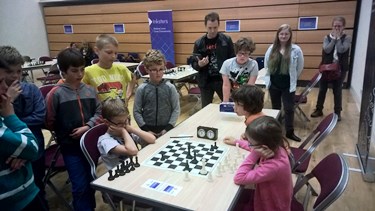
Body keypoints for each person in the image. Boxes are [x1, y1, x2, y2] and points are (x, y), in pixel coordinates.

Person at [45, 48, 102, 210]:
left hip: (90, 147)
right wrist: (63, 132)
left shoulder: (90, 90)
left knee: (91, 181)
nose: (79, 74)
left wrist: (87, 126)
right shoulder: (55, 94)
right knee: (79, 186)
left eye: (82, 69)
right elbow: (49, 120)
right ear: (63, 71)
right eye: (74, 70)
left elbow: (99, 112)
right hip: (70, 148)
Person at [0, 46, 48, 208]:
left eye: (19, 71)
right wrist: (9, 102)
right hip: (8, 153)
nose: (15, 76)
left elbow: (39, 117)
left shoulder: (32, 89)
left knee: (38, 182)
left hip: (34, 144)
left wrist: (22, 145)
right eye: (9, 72)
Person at [233, 116, 292, 211]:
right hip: (268, 198)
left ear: (263, 147)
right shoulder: (276, 147)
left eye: (250, 143)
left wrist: (254, 154)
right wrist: (237, 142)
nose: (249, 145)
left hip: (270, 207)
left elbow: (239, 178)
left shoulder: (274, 167)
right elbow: (255, 148)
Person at [264, 24, 304, 142]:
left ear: (290, 35)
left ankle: (289, 132)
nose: (284, 36)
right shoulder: (271, 49)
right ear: (278, 35)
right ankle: (276, 131)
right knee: (275, 108)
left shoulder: (296, 50)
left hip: (287, 85)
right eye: (281, 33)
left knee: (289, 108)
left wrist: (294, 78)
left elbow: (300, 67)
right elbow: (266, 65)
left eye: (286, 34)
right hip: (274, 84)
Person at [311, 16, 352, 121]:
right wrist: (334, 39)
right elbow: (327, 49)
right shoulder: (327, 38)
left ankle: (337, 113)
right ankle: (318, 109)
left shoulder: (347, 38)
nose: (337, 28)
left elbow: (342, 49)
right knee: (322, 90)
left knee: (337, 91)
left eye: (339, 26)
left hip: (340, 69)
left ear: (344, 27)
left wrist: (338, 39)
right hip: (326, 68)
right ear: (332, 27)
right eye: (335, 26)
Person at [98, 97, 156, 170]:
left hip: (136, 167)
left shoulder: (128, 131)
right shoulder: (105, 141)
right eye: (119, 123)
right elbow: (132, 151)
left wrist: (131, 129)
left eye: (126, 120)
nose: (125, 125)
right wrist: (123, 131)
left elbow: (152, 139)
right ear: (107, 122)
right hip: (121, 175)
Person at [192, 12, 235, 108]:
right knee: (206, 110)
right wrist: (199, 64)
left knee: (230, 107)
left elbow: (232, 60)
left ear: (219, 25)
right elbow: (194, 64)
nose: (212, 31)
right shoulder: (198, 43)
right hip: (205, 81)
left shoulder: (226, 40)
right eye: (210, 28)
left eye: (215, 28)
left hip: (223, 80)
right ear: (205, 26)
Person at [133, 49, 180, 138]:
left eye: (161, 69)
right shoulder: (142, 89)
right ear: (147, 69)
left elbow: (176, 109)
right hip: (147, 131)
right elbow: (136, 111)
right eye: (154, 70)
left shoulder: (170, 88)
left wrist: (168, 128)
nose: (158, 73)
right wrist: (146, 130)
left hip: (166, 130)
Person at [82, 34, 136, 104]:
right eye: (109, 52)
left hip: (121, 112)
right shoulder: (88, 71)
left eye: (116, 53)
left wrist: (128, 95)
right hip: (101, 113)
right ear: (97, 50)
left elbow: (133, 78)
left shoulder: (122, 69)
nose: (113, 56)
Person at [223, 85, 265, 151]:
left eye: (238, 104)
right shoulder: (259, 116)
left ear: (249, 105)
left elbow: (258, 149)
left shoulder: (254, 122)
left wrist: (236, 142)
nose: (234, 107)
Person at [220, 37, 258, 102]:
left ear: (250, 53)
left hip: (246, 95)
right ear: (236, 52)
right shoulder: (226, 64)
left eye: (245, 53)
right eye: (240, 53)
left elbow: (250, 85)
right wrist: (225, 102)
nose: (242, 56)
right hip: (232, 95)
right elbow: (226, 85)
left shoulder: (253, 64)